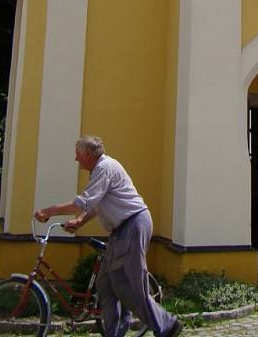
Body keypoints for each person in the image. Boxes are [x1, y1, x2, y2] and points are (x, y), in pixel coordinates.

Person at [34, 135, 183, 337]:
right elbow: (98, 203)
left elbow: (84, 202)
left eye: (78, 154)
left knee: (128, 285)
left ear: (87, 154)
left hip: (132, 225)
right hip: (121, 230)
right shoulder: (100, 169)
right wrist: (81, 221)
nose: (76, 159)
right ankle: (113, 333)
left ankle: (167, 325)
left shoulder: (105, 168)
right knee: (105, 284)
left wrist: (49, 211)